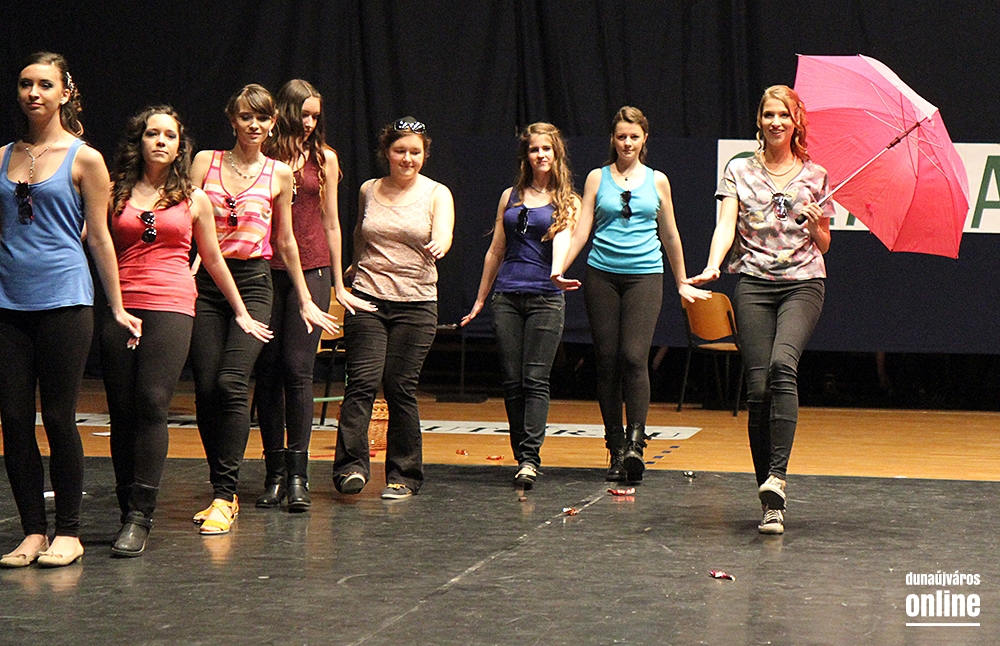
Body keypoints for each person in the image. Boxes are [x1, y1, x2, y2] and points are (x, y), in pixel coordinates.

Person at [102, 106, 271, 556]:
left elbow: (212, 258)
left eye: (169, 135)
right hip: (121, 303)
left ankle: (140, 517)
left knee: (152, 401)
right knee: (121, 410)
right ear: (139, 141)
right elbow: (94, 241)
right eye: (152, 133)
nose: (160, 141)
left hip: (173, 304)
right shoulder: (114, 191)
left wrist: (240, 311)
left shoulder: (194, 198)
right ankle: (125, 506)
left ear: (180, 147)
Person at [0, 52, 142, 568]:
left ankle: (69, 532)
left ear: (65, 93)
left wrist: (117, 306)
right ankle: (32, 532)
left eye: (44, 84)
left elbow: (100, 238)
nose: (33, 93)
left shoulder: (86, 159)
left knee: (59, 416)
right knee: (15, 419)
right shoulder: (2, 156)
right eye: (25, 84)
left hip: (65, 299)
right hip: (8, 303)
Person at [189, 84, 337, 535]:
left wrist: (313, 294)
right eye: (245, 117)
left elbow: (291, 237)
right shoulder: (206, 162)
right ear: (232, 119)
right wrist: (186, 268)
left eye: (261, 118)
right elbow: (186, 218)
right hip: (212, 280)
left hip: (265, 276)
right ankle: (256, 476)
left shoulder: (288, 170)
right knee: (214, 386)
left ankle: (268, 482)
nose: (254, 125)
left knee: (256, 376)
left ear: (272, 121)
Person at [686, 85, 832, 534]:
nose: (775, 122)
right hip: (753, 284)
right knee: (758, 388)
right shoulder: (739, 170)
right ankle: (768, 501)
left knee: (782, 366)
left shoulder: (816, 175)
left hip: (803, 284)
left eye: (783, 115)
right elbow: (726, 224)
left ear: (796, 122)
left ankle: (778, 479)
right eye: (769, 114)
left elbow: (826, 243)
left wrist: (816, 225)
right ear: (759, 121)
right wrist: (713, 263)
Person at [552, 106, 707, 484]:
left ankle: (636, 444)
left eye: (634, 137)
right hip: (602, 275)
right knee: (606, 361)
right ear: (613, 139)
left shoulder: (658, 181)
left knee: (634, 357)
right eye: (621, 137)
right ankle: (616, 447)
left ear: (644, 139)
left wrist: (682, 280)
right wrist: (559, 269)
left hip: (645, 276)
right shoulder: (596, 177)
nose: (627, 143)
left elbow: (670, 234)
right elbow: (582, 229)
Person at [254, 80, 374, 512]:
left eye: (315, 116)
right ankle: (273, 473)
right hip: (266, 270)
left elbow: (331, 222)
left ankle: (298, 476)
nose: (309, 122)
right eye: (303, 114)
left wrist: (340, 283)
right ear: (285, 111)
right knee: (267, 369)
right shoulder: (264, 155)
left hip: (314, 268)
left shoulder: (324, 158)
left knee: (298, 368)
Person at [332, 117, 454, 500]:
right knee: (362, 383)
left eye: (415, 152)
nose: (407, 159)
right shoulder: (369, 189)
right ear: (387, 152)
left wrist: (441, 243)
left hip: (416, 303)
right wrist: (353, 267)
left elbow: (445, 231)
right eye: (400, 151)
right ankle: (351, 468)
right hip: (368, 297)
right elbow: (360, 232)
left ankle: (404, 475)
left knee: (400, 386)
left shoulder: (436, 193)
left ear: (425, 154)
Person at [461, 122, 579, 489]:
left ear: (556, 153)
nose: (540, 155)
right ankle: (521, 455)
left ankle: (530, 459)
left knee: (535, 378)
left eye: (546, 148)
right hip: (507, 295)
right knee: (512, 380)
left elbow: (564, 240)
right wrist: (481, 299)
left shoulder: (568, 200)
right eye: (534, 149)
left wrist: (558, 272)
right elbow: (495, 250)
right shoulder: (509, 196)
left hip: (545, 296)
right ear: (525, 155)